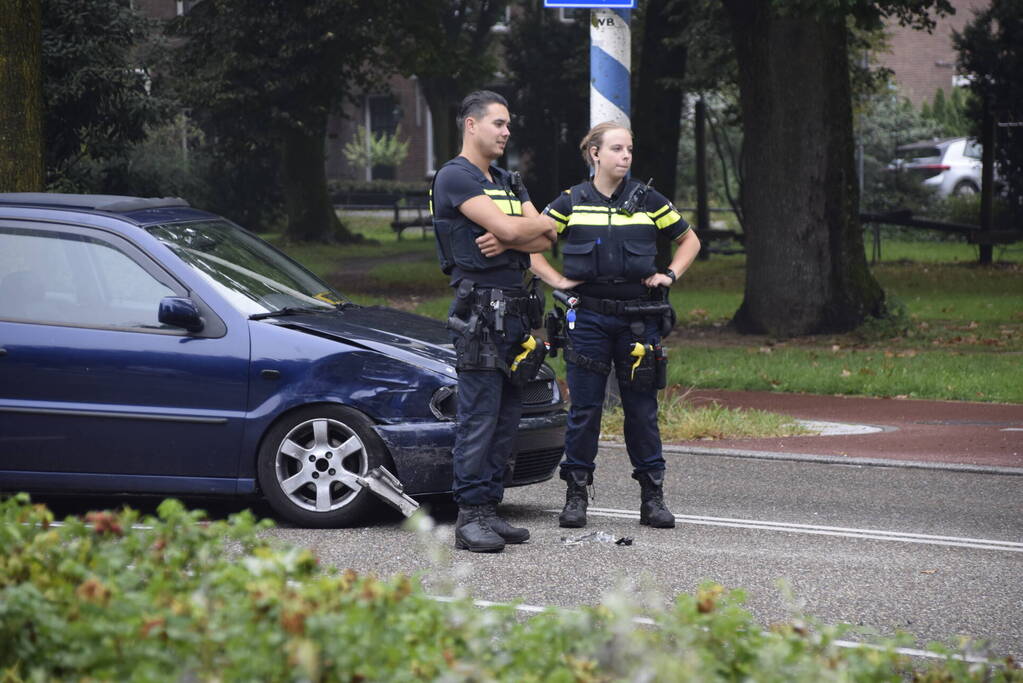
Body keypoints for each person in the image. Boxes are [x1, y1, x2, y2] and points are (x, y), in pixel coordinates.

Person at [530, 121, 701, 530]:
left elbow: (689, 240)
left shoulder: (649, 200)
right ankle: (575, 497)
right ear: (596, 154)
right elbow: (529, 242)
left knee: (642, 411)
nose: (625, 156)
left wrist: (669, 276)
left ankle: (652, 498)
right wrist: (556, 281)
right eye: (618, 149)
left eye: (629, 149)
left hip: (639, 321)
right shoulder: (571, 201)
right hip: (587, 318)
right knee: (585, 410)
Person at [431, 90, 558, 553]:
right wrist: (519, 234)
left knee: (507, 419)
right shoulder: (455, 176)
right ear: (471, 124)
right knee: (479, 419)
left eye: (508, 125)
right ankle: (469, 518)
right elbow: (523, 229)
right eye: (498, 124)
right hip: (481, 313)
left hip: (515, 316)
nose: (506, 132)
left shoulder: (506, 179)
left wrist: (512, 241)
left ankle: (490, 508)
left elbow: (549, 235)